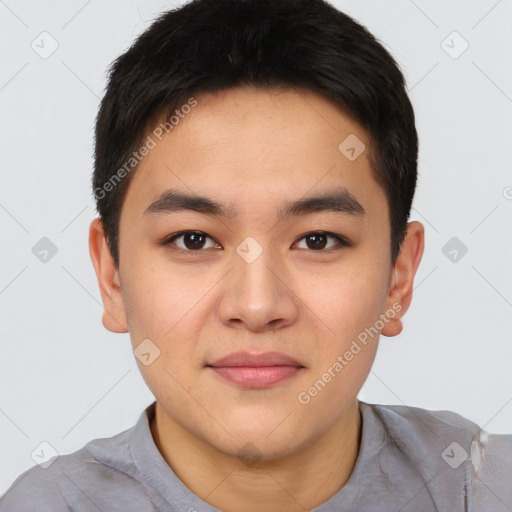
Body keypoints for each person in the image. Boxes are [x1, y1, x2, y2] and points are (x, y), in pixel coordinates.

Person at [1, 0, 510, 510]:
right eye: (193, 240)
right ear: (112, 275)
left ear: (398, 278)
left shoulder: (481, 488)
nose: (258, 305)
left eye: (318, 240)